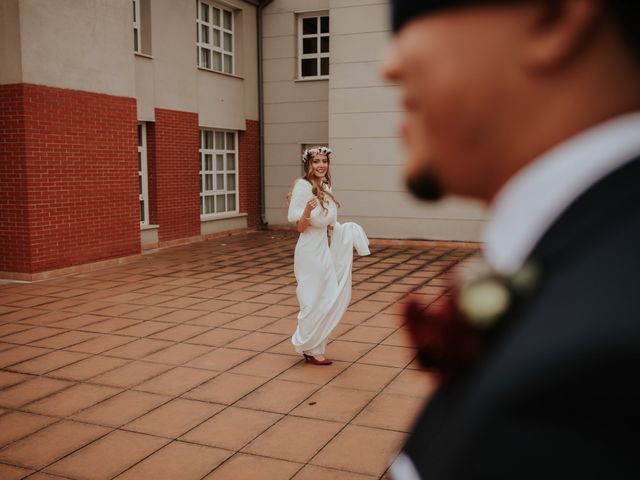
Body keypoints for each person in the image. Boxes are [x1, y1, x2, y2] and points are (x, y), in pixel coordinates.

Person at [382, 0, 640, 479]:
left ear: (555, 15)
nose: (389, 66)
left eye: (412, 15)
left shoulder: (593, 382)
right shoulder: (592, 252)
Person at [287, 147, 370, 365]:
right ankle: (310, 346)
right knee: (312, 298)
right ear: (309, 165)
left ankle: (314, 345)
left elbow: (331, 225)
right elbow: (300, 227)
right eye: (316, 162)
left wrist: (346, 234)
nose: (321, 165)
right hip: (308, 251)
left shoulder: (325, 187)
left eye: (324, 161)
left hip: (323, 248)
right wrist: (306, 210)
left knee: (326, 296)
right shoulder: (303, 187)